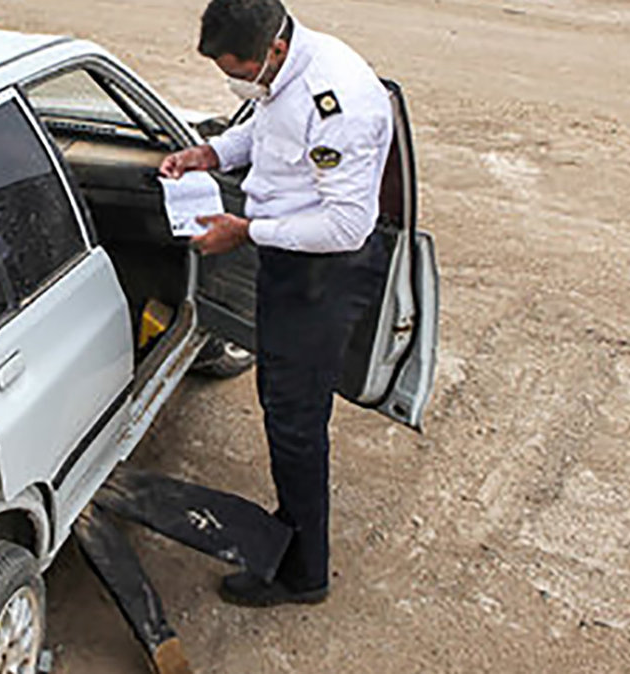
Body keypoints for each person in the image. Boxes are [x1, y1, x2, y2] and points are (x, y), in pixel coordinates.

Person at [160, 0, 393, 607]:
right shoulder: (282, 72)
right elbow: (267, 133)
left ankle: (303, 573)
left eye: (241, 71)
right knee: (283, 406)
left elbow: (346, 227)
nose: (238, 83)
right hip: (289, 260)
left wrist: (246, 233)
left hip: (322, 275)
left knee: (295, 422)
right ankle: (292, 524)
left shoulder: (335, 99)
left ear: (275, 49)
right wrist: (210, 154)